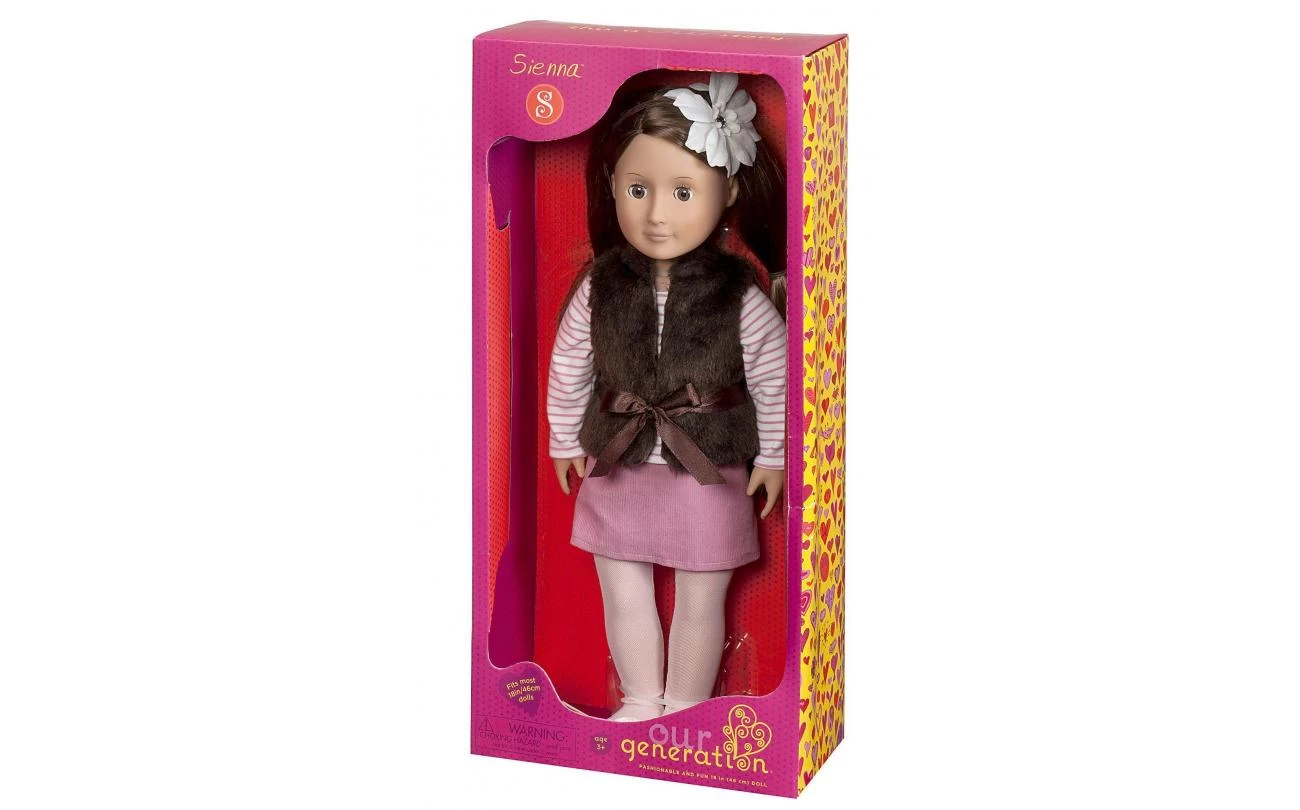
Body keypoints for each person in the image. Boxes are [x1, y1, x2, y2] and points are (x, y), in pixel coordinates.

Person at [547, 73, 787, 721]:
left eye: (683, 192)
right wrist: (564, 439)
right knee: (622, 591)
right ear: (612, 189)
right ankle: (639, 701)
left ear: (727, 192)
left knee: (702, 597)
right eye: (638, 189)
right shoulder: (601, 285)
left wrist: (774, 457)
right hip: (617, 463)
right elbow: (569, 363)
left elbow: (774, 378)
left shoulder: (738, 293)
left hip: (707, 469)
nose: (657, 214)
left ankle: (684, 707)